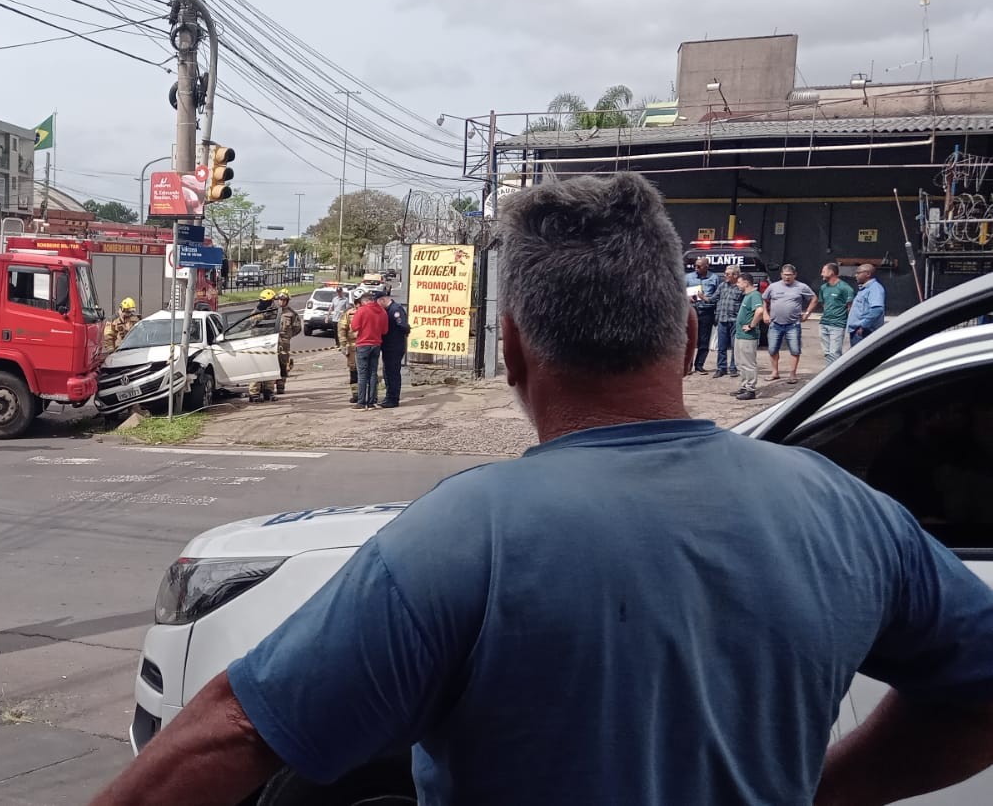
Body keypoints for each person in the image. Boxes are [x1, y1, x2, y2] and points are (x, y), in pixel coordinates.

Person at [87, 171, 993, 806]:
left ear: (514, 349)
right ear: (686, 337)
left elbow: (236, 731)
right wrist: (840, 788)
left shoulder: (465, 535)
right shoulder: (843, 512)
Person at [763, 263, 815, 381]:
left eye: (790, 275)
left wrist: (807, 314)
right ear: (781, 274)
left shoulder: (801, 287)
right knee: (772, 349)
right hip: (775, 324)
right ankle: (775, 372)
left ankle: (792, 373)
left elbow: (814, 299)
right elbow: (765, 300)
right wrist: (765, 313)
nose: (787, 277)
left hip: (793, 324)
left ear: (795, 275)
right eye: (785, 275)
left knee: (795, 350)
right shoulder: (773, 287)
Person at [807, 262, 855, 367]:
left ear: (831, 272)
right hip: (824, 323)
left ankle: (835, 375)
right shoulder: (823, 288)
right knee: (827, 353)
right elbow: (824, 304)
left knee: (834, 353)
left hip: (837, 325)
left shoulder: (845, 288)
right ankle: (830, 372)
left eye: (823, 271)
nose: (821, 274)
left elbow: (850, 307)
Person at [349, 286, 387, 410]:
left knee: (362, 374)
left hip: (363, 344)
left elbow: (354, 327)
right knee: (373, 373)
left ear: (364, 301)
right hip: (376, 344)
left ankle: (361, 401)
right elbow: (385, 330)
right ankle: (372, 401)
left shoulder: (362, 310)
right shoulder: (382, 311)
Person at [732, 271, 768, 400]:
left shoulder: (754, 295)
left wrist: (751, 325)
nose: (737, 285)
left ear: (746, 283)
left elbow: (759, 311)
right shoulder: (747, 296)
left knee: (748, 363)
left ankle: (750, 390)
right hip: (740, 335)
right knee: (740, 362)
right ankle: (744, 386)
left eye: (739, 282)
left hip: (748, 336)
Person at [686, 256, 723, 373]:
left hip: (707, 311)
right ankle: (688, 366)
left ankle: (699, 365)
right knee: (690, 339)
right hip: (692, 310)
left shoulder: (714, 278)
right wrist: (687, 297)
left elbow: (718, 296)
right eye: (695, 266)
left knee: (704, 340)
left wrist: (717, 314)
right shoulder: (688, 277)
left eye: (699, 266)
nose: (696, 268)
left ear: (706, 267)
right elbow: (679, 291)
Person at [377, 289, 409, 408]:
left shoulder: (395, 310)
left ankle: (393, 399)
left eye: (378, 303)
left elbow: (403, 326)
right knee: (388, 373)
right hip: (389, 347)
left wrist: (404, 330)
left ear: (383, 300)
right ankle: (389, 397)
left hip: (394, 347)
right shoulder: (389, 310)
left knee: (393, 373)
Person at [247, 289, 281, 402]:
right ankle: (254, 393)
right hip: (256, 343)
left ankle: (269, 391)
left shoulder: (275, 311)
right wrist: (263, 315)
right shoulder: (256, 311)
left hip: (270, 343)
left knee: (270, 367)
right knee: (256, 367)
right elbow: (252, 321)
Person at [710, 264, 743, 377]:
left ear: (735, 275)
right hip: (722, 319)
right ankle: (721, 368)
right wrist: (703, 297)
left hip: (735, 320)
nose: (725, 275)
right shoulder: (722, 286)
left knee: (735, 345)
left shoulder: (741, 287)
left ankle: (733, 368)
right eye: (725, 273)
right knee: (721, 346)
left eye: (727, 274)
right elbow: (714, 299)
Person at [848, 262, 887, 346]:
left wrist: (863, 326)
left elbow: (877, 310)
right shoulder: (864, 289)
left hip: (864, 333)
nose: (856, 275)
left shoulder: (874, 288)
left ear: (868, 274)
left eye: (858, 273)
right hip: (858, 332)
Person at [273, 290, 301, 395]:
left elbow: (297, 328)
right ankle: (269, 387)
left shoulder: (291, 314)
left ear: (287, 301)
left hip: (284, 343)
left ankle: (281, 386)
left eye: (284, 300)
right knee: (271, 363)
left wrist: (288, 336)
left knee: (283, 364)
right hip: (272, 342)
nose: (281, 302)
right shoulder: (273, 311)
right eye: (280, 300)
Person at [336, 288, 362, 404]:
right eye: (358, 302)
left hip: (366, 345)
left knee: (367, 372)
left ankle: (367, 395)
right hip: (352, 347)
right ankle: (356, 395)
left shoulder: (370, 312)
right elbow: (342, 329)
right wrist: (343, 344)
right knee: (353, 371)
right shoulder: (349, 314)